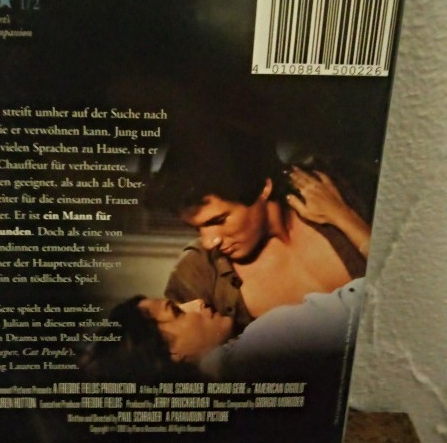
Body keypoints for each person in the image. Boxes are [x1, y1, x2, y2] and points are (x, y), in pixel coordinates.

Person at [146, 126, 371, 335]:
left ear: (264, 187)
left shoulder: (341, 191)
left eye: (220, 220)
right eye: (197, 228)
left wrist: (344, 218)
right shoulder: (198, 273)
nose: (209, 242)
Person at [81, 279, 364, 383]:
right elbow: (372, 302)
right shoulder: (263, 342)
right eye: (177, 311)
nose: (197, 302)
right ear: (170, 353)